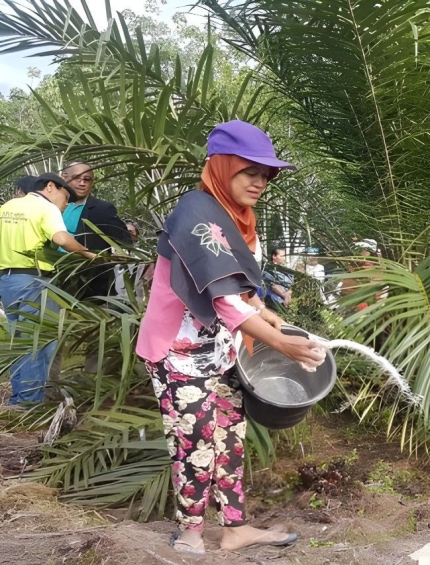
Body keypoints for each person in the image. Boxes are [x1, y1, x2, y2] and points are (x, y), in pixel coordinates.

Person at [135, 120, 327, 555]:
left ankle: (235, 528)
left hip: (220, 350)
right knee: (195, 438)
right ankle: (191, 532)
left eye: (266, 175)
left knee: (229, 437)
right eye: (249, 172)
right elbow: (220, 298)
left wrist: (265, 311)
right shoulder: (194, 214)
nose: (259, 182)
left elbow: (239, 289)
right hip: (178, 353)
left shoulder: (238, 217)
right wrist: (280, 343)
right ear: (222, 167)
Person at [0, 174, 94, 408]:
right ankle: (30, 403)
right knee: (39, 343)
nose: (65, 204)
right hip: (36, 281)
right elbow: (61, 238)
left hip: (8, 280)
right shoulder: (46, 207)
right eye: (65, 198)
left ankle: (17, 399)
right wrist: (91, 255)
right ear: (51, 187)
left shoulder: (9, 206)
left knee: (20, 340)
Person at [61, 162, 130, 298]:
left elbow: (123, 240)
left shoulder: (102, 209)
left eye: (87, 179)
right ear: (64, 177)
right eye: (77, 178)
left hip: (88, 284)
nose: (82, 183)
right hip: (52, 277)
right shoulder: (52, 207)